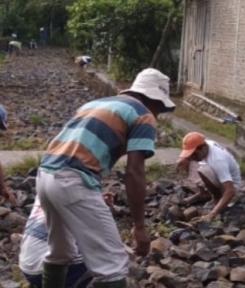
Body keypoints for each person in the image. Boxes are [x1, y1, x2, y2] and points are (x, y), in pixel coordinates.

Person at [36, 68, 176, 288]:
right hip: (72, 180)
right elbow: (134, 172)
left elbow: (79, 148)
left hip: (45, 175)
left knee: (60, 251)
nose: (158, 114)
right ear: (155, 100)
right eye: (160, 108)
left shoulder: (95, 104)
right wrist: (139, 226)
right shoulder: (143, 115)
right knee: (112, 265)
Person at [19, 193, 115, 288]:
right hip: (44, 270)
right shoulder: (72, 191)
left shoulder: (44, 188)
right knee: (106, 252)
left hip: (27, 265)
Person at [176, 132, 242, 222]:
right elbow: (191, 154)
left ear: (202, 148)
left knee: (203, 170)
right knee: (192, 164)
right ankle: (203, 193)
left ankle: (217, 197)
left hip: (232, 187)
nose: (192, 157)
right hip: (219, 176)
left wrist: (213, 214)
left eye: (194, 154)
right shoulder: (206, 144)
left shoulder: (218, 160)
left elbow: (230, 190)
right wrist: (183, 159)